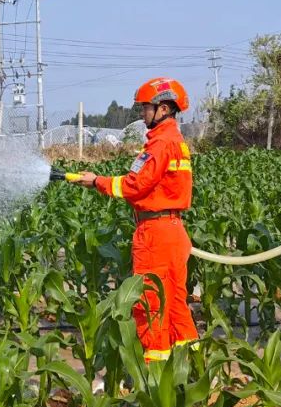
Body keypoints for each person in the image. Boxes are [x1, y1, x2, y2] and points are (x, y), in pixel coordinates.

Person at [71, 77, 197, 361]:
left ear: (163, 109)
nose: (142, 113)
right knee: (176, 303)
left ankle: (154, 376)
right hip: (174, 230)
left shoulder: (161, 144)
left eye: (146, 108)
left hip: (155, 233)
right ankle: (189, 369)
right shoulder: (174, 140)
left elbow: (135, 185)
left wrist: (97, 182)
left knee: (150, 304)